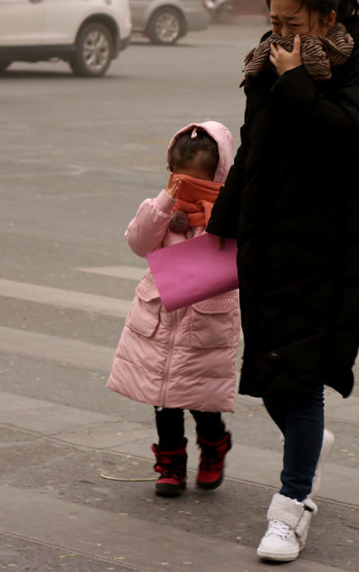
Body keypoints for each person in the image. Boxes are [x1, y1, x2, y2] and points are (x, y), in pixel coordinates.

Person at [206, 0, 359, 562]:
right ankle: (307, 448)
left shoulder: (356, 65)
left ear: (327, 19)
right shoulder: (267, 62)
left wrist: (296, 83)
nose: (279, 33)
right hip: (266, 239)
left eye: (291, 23)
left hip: (323, 247)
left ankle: (290, 509)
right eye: (273, 21)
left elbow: (351, 137)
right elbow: (252, 146)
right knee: (269, 374)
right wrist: (219, 226)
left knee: (301, 378)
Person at [107, 121, 240, 497]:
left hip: (205, 324)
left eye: (198, 182)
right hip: (161, 319)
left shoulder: (228, 213)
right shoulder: (163, 209)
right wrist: (166, 201)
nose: (187, 190)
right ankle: (170, 462)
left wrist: (218, 212)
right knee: (162, 397)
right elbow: (138, 243)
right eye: (180, 181)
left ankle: (214, 447)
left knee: (201, 398)